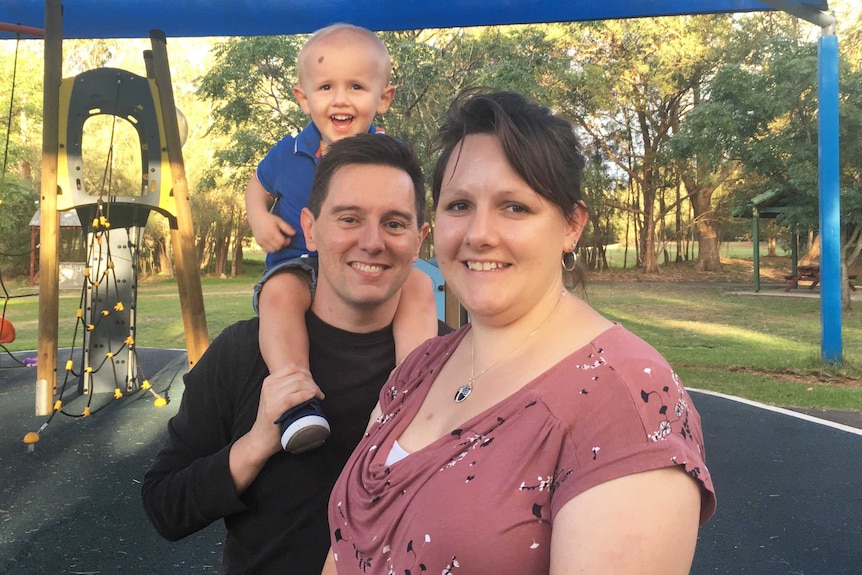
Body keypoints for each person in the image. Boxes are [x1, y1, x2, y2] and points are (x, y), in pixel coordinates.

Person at [324, 91, 716, 575]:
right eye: (460, 204)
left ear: (572, 225)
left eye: (514, 207)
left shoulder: (627, 401)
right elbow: (346, 550)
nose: (479, 233)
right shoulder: (420, 367)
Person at [142, 133, 447, 574]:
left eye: (395, 224)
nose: (373, 241)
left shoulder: (456, 363)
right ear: (310, 228)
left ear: (419, 240)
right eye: (348, 218)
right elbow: (165, 508)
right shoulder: (243, 353)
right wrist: (256, 444)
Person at [245, 23, 438, 454]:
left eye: (356, 86)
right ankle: (297, 398)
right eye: (327, 86)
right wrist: (259, 217)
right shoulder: (290, 150)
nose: (341, 98)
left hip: (363, 267)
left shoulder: (390, 155)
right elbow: (257, 187)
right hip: (298, 262)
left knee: (421, 284)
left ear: (383, 97)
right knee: (278, 295)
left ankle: (411, 394)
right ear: (303, 96)